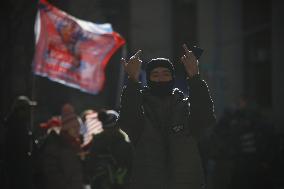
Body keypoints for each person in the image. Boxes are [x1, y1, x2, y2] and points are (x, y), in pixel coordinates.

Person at [118, 44, 216, 189]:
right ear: (149, 79)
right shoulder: (141, 108)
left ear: (173, 78)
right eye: (155, 75)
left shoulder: (184, 108)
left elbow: (205, 117)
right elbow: (128, 120)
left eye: (166, 74)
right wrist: (132, 80)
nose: (161, 79)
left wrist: (194, 77)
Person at [41, 104, 84, 189]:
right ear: (66, 128)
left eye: (78, 127)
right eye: (74, 127)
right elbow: (51, 172)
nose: (77, 130)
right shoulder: (55, 143)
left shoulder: (75, 144)